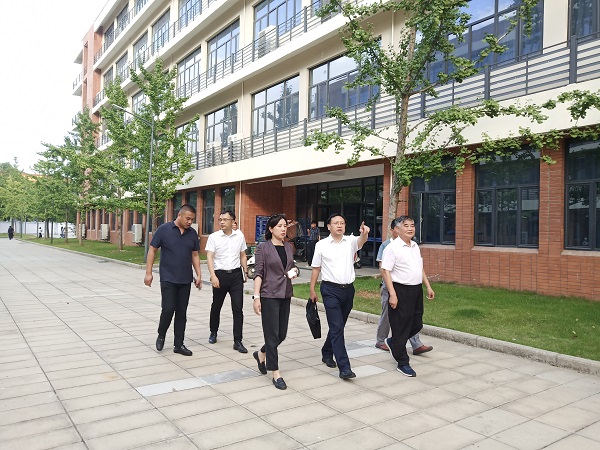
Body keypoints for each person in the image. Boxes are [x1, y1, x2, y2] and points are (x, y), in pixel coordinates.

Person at [310, 213, 370, 379]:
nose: (339, 225)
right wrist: (312, 289)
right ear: (329, 226)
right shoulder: (321, 245)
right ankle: (344, 368)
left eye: (342, 223)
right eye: (336, 223)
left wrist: (364, 233)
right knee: (337, 328)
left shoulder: (350, 241)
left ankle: (327, 351)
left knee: (339, 326)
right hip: (330, 290)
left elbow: (361, 241)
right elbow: (316, 268)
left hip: (348, 290)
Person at [144, 204, 202, 356]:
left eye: (192, 219)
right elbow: (152, 250)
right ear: (179, 215)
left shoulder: (192, 233)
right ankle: (161, 334)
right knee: (168, 309)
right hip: (168, 278)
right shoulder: (164, 230)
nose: (190, 222)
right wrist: (148, 273)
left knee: (182, 312)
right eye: (188, 219)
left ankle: (179, 344)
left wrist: (199, 275)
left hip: (185, 279)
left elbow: (195, 255)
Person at [381, 216, 435, 377]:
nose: (410, 228)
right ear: (398, 229)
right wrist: (392, 294)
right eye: (406, 226)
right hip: (400, 290)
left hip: (416, 290)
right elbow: (385, 271)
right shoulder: (392, 248)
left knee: (416, 323)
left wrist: (428, 286)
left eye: (412, 225)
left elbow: (420, 268)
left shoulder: (415, 246)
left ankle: (394, 342)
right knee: (400, 326)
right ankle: (402, 362)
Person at [252, 214, 298, 390]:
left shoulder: (288, 247)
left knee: (281, 334)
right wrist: (256, 297)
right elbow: (258, 273)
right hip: (269, 294)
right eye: (279, 226)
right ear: (271, 229)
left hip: (285, 293)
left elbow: (291, 266)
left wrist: (294, 271)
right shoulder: (263, 248)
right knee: (271, 335)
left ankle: (261, 353)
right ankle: (276, 373)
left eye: (285, 225)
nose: (283, 228)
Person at [206, 210, 249, 352]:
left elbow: (242, 255)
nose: (222, 222)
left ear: (233, 221)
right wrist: (213, 276)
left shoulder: (239, 236)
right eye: (220, 219)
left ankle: (238, 340)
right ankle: (213, 332)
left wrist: (245, 271)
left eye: (225, 219)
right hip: (220, 275)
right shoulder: (214, 237)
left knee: (238, 308)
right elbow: (210, 257)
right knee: (216, 305)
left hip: (236, 276)